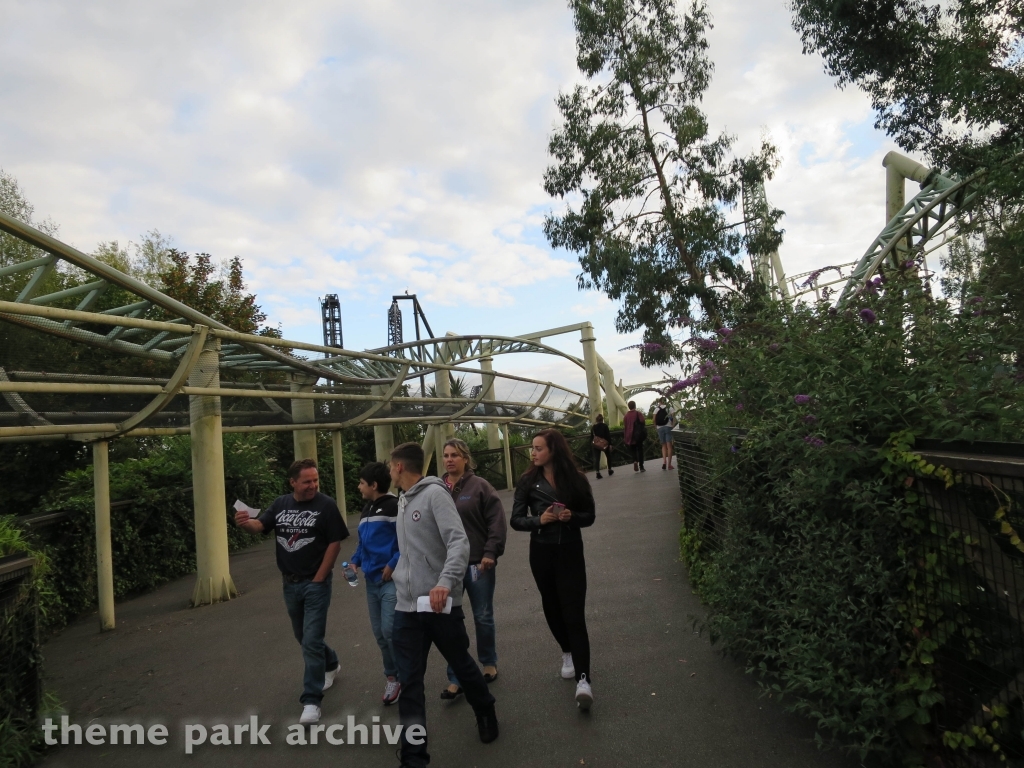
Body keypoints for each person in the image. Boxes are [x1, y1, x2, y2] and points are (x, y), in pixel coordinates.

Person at [389, 442, 498, 768]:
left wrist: (444, 583)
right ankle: (413, 757)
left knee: (462, 665)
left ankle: (485, 709)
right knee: (409, 681)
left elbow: (458, 542)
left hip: (438, 604)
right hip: (406, 608)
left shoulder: (435, 495)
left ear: (398, 467)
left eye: (389, 465)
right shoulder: (402, 501)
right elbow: (409, 551)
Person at [234, 458, 349, 725]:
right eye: (307, 481)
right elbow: (260, 526)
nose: (313, 485)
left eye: (315, 480)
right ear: (293, 482)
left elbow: (335, 542)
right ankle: (331, 663)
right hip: (290, 583)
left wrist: (320, 578)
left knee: (310, 640)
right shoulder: (281, 503)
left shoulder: (326, 505)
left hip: (315, 585)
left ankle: (311, 701)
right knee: (303, 636)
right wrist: (244, 522)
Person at [510, 429, 596, 711]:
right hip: (542, 552)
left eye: (538, 448)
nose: (533, 453)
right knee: (552, 607)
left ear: (553, 450)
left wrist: (572, 518)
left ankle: (584, 681)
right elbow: (516, 520)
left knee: (574, 614)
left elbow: (590, 516)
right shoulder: (527, 481)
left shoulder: (576, 478)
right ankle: (567, 652)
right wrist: (540, 520)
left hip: (570, 550)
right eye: (532, 448)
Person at [439, 438, 507, 699]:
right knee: (450, 624)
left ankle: (488, 662)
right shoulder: (437, 488)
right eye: (446, 455)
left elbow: (496, 522)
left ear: (465, 458)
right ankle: (456, 676)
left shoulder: (480, 486)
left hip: (478, 563)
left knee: (482, 615)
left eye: (455, 455)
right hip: (449, 568)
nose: (449, 459)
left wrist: (490, 552)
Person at [348, 462, 402, 706]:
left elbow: (405, 541)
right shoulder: (366, 509)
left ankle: (407, 675)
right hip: (371, 581)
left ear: (374, 485)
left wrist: (392, 564)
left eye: (361, 482)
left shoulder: (394, 506)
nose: (359, 486)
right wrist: (354, 562)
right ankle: (392, 676)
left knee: (391, 631)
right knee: (380, 634)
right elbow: (362, 543)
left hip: (389, 579)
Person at [623, 400, 647, 472]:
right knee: (640, 450)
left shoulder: (626, 416)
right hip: (638, 434)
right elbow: (643, 421)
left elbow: (625, 426)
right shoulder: (638, 413)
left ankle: (635, 461)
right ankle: (641, 466)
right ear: (635, 406)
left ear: (629, 407)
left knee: (633, 450)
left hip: (629, 435)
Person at [590, 413, 614, 479]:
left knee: (597, 459)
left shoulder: (593, 427)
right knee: (608, 456)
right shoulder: (605, 426)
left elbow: (592, 437)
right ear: (602, 420)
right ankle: (609, 470)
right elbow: (608, 436)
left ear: (596, 420)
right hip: (604, 444)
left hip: (596, 444)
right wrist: (610, 444)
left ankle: (597, 472)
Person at [653, 398, 675, 470]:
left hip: (660, 428)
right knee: (669, 446)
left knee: (663, 445)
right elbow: (673, 418)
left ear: (659, 402)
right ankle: (669, 465)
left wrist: (656, 427)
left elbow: (654, 420)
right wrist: (672, 425)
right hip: (668, 427)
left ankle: (664, 462)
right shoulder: (670, 408)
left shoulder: (656, 409)